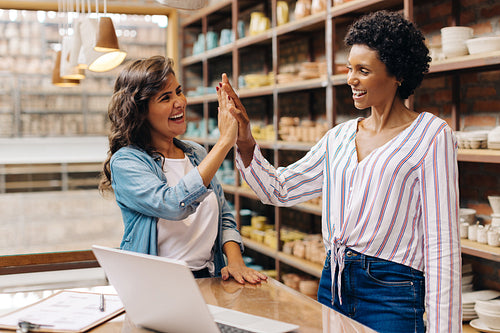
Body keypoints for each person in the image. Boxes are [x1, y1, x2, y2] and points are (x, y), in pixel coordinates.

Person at [217, 10, 461, 333]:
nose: (351, 79)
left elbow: (442, 248)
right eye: (349, 69)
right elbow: (278, 188)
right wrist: (244, 137)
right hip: (332, 282)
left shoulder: (431, 136)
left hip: (392, 295)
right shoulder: (339, 137)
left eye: (363, 70)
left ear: (398, 73)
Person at [99, 55, 267, 284]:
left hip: (208, 277)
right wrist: (225, 142)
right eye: (165, 97)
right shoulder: (127, 162)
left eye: (178, 91)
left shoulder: (195, 153)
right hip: (153, 285)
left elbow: (223, 213)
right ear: (140, 111)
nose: (180, 102)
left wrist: (235, 260)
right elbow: (172, 204)